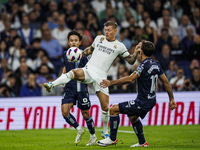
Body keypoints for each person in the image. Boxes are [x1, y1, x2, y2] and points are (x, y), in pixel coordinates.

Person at [44, 21, 140, 140]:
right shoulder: (99, 38)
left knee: (105, 108)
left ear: (115, 31)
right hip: (89, 70)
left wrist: (135, 53)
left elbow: (130, 61)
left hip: (101, 77)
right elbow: (88, 51)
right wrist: (76, 55)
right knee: (73, 73)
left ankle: (105, 132)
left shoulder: (119, 46)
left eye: (109, 30)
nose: (106, 32)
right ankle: (52, 84)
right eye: (105, 30)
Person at [96, 41, 177, 147]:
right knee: (133, 117)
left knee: (113, 109)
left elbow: (130, 79)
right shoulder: (156, 64)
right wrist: (171, 99)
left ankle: (112, 139)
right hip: (151, 100)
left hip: (143, 102)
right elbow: (166, 82)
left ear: (141, 52)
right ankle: (142, 142)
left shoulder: (142, 66)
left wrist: (110, 83)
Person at [48, 30, 97, 145]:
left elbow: (89, 70)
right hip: (69, 87)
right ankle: (79, 129)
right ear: (68, 42)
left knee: (86, 114)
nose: (73, 42)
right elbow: (66, 68)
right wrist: (61, 80)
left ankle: (93, 136)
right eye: (71, 40)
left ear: (79, 42)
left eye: (76, 40)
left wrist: (88, 84)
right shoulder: (65, 53)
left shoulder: (84, 54)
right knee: (65, 112)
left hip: (81, 87)